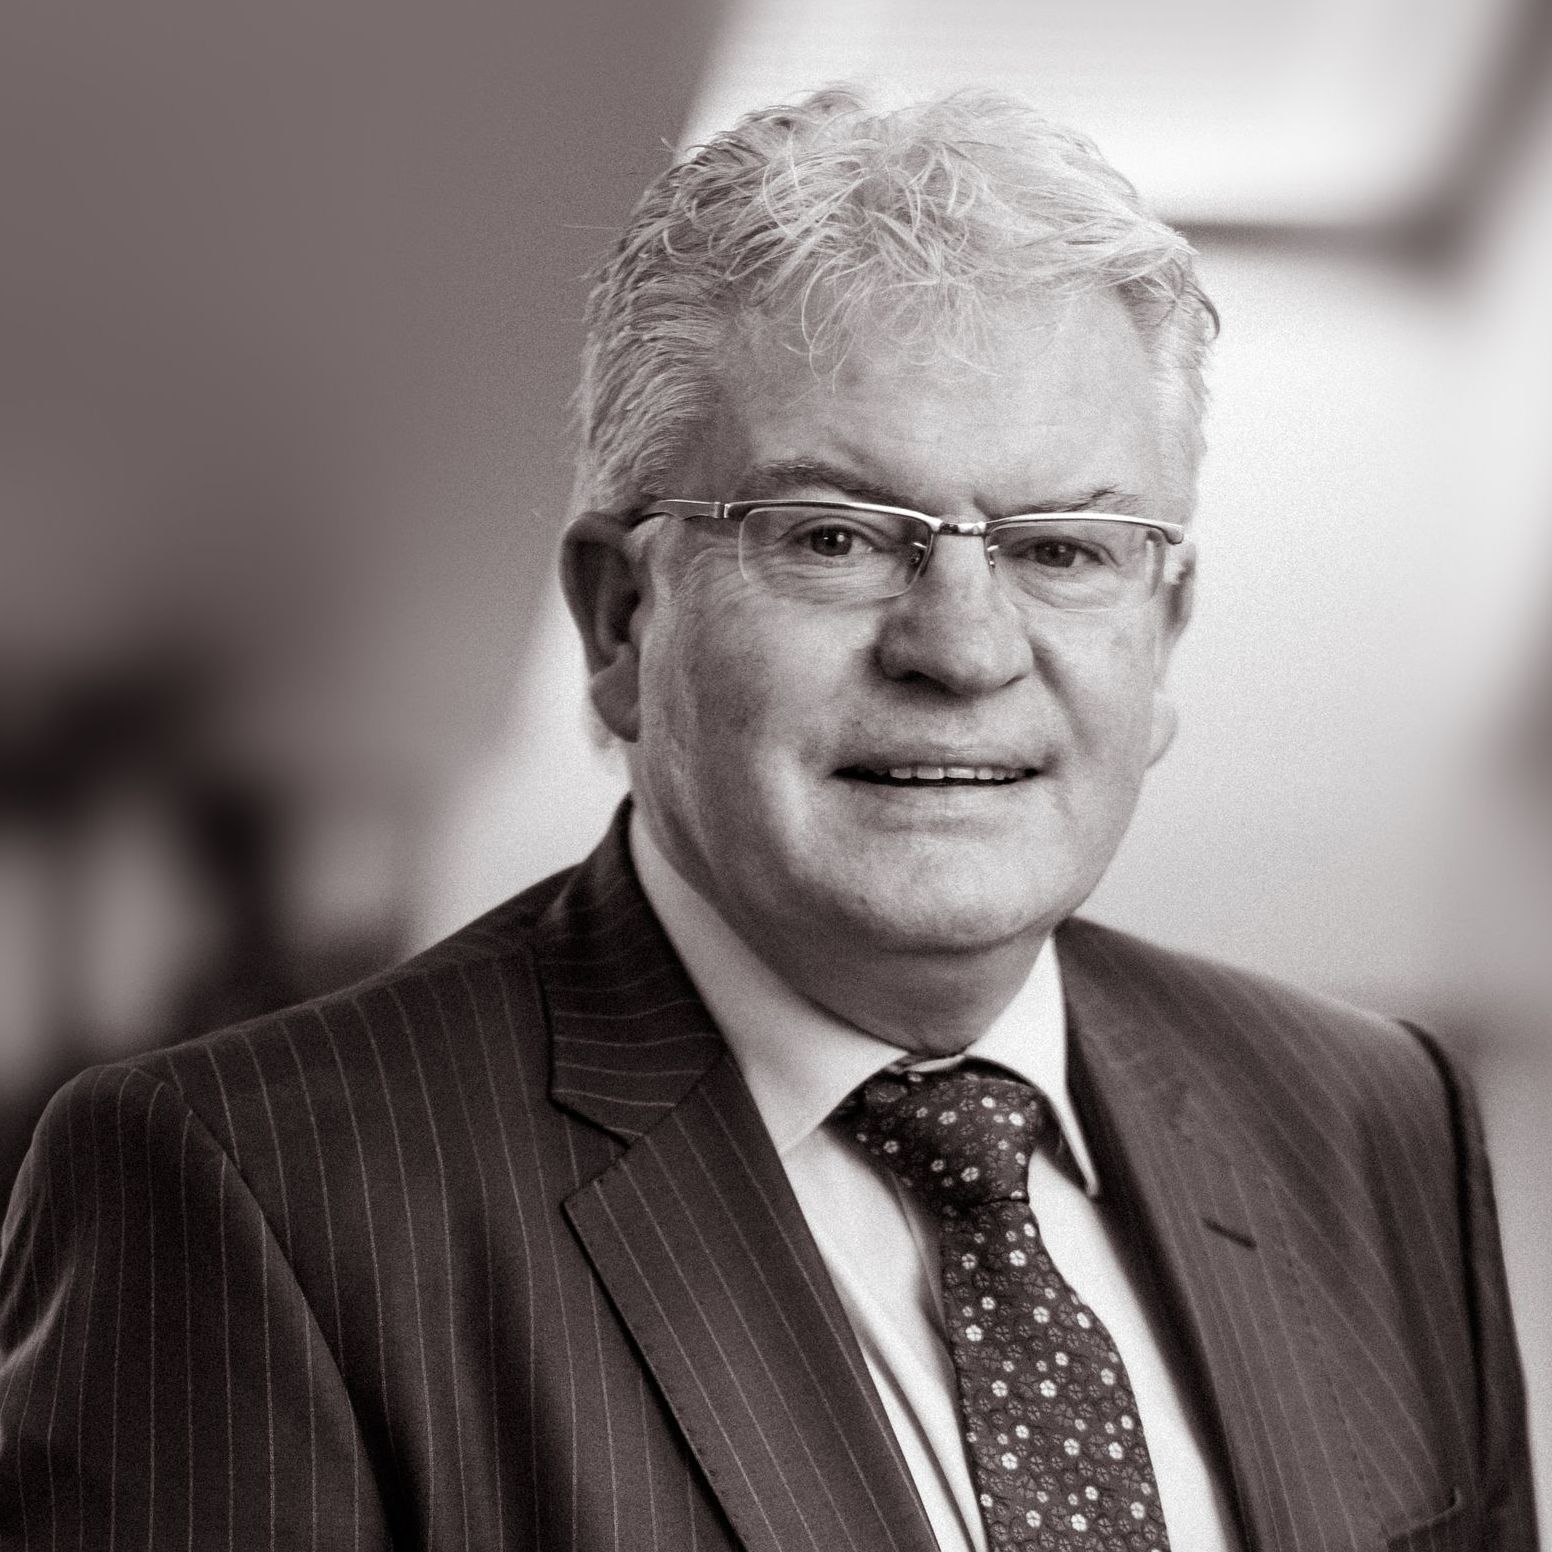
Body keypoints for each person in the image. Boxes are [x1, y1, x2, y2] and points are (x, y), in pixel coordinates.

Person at [0, 87, 1534, 1552]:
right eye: (837, 537)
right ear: (620, 619)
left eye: (1065, 550)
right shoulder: (249, 1201)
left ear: (1168, 629)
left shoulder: (1365, 1116)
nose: (963, 648)